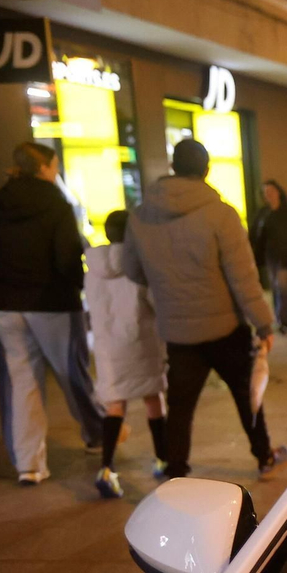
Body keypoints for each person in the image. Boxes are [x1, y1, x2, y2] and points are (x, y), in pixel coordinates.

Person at [124, 138, 287, 479]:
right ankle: (264, 456)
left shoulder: (141, 216)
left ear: (173, 167)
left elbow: (133, 270)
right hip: (225, 328)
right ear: (206, 169)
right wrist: (263, 323)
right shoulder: (221, 214)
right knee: (247, 396)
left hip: (177, 330)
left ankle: (176, 469)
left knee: (181, 406)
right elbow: (243, 277)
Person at [0, 141, 104, 485]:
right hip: (54, 304)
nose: (56, 172)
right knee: (74, 375)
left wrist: (2, 283)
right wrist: (80, 287)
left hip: (9, 307)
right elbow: (67, 257)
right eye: (54, 166)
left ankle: (29, 465)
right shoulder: (56, 204)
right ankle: (98, 435)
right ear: (43, 168)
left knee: (21, 385)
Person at [84, 209, 167, 499]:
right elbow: (155, 304)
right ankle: (164, 459)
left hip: (108, 348)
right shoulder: (138, 267)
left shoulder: (91, 270)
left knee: (114, 405)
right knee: (153, 397)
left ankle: (106, 468)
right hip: (140, 343)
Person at [251, 179, 287, 334]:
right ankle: (283, 318)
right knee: (277, 288)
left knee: (283, 287)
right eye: (266, 193)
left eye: (271, 191)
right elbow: (255, 235)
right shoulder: (263, 214)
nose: (269, 195)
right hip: (270, 257)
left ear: (278, 192)